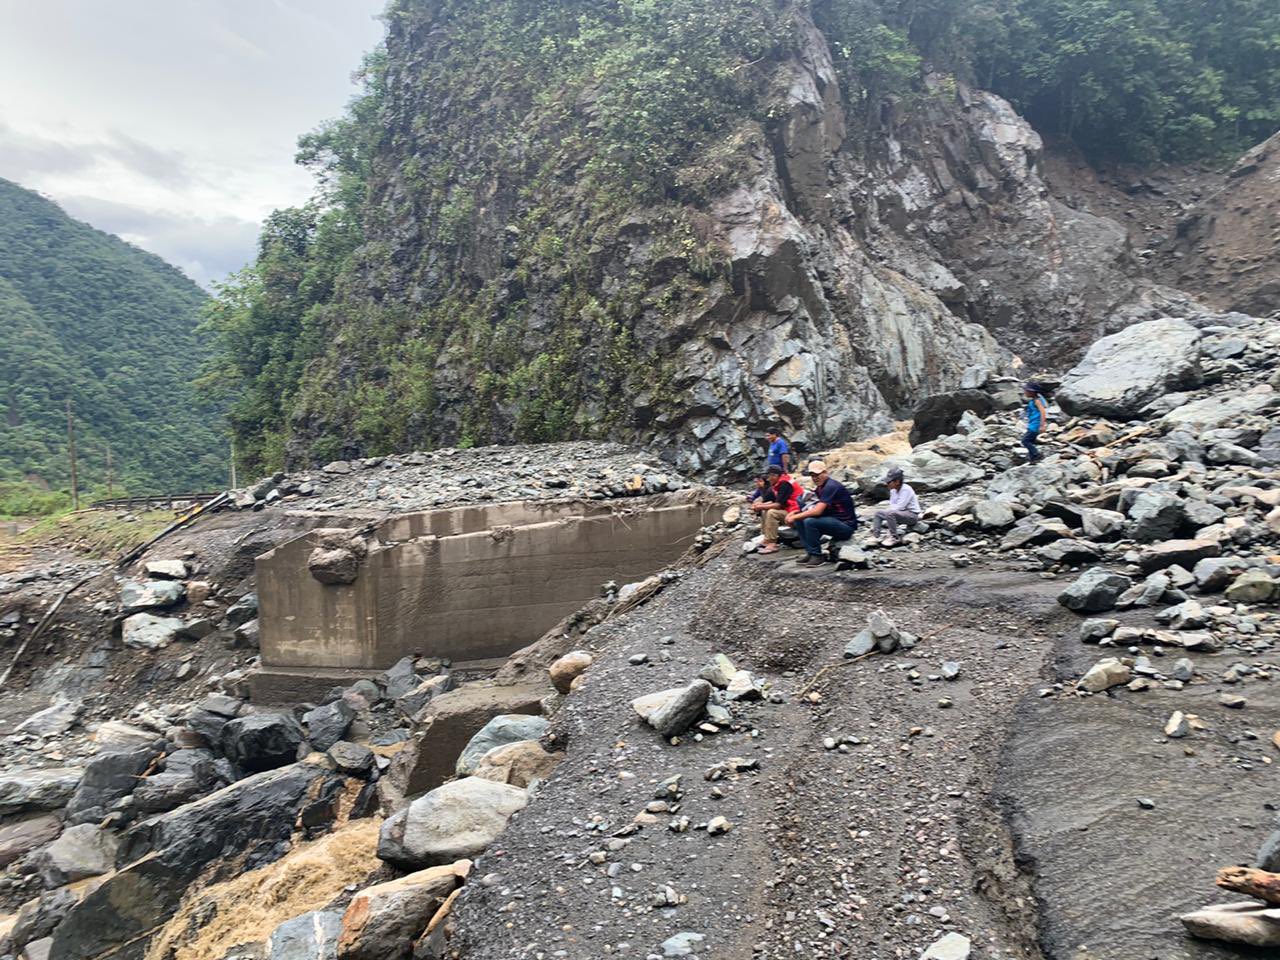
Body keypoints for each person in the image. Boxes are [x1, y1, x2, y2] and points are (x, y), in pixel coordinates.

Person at [786, 460, 858, 565]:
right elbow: (812, 505)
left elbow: (817, 510)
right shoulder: (820, 488)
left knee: (810, 522)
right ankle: (810, 552)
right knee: (801, 520)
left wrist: (794, 517)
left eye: (817, 475)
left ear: (825, 472)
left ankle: (817, 556)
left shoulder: (831, 486)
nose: (815, 478)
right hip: (833, 520)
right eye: (812, 475)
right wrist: (794, 513)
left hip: (846, 525)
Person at [752, 464, 800, 555]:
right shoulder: (778, 483)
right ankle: (767, 538)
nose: (768, 479)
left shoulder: (785, 484)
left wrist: (760, 506)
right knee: (766, 510)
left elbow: (778, 505)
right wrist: (760, 505)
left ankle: (772, 543)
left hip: (795, 512)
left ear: (775, 476)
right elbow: (775, 501)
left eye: (769, 476)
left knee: (772, 512)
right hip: (789, 509)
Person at [869, 468, 921, 547]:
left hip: (912, 515)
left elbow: (900, 506)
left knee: (890, 513)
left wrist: (888, 514)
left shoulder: (906, 489)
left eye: (889, 482)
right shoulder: (893, 490)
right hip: (900, 514)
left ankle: (894, 537)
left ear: (897, 481)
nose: (887, 484)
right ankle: (876, 535)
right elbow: (892, 505)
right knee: (878, 513)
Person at [1022, 382, 1048, 463]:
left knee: (1025, 441)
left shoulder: (1037, 401)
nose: (1024, 392)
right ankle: (1033, 459)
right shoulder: (1033, 400)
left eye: (1026, 391)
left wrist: (1042, 425)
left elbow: (1043, 412)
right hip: (1032, 424)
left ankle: (1037, 454)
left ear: (1032, 392)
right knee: (1030, 441)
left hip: (1035, 424)